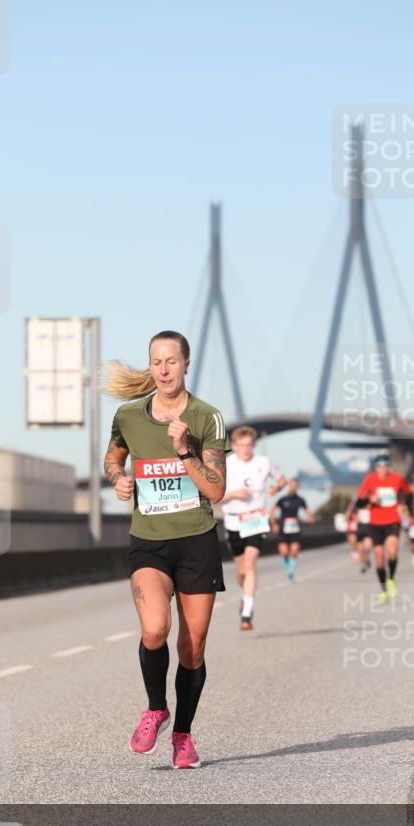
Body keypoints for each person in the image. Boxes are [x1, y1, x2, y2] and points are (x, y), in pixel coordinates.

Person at [102, 330, 229, 770]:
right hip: (149, 543)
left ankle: (183, 736)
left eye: (171, 361)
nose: (164, 369)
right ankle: (156, 708)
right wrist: (118, 477)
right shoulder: (129, 416)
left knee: (191, 649)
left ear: (186, 364)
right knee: (155, 630)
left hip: (196, 542)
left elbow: (216, 490)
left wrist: (183, 452)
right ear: (151, 366)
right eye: (156, 361)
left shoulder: (206, 417)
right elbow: (113, 458)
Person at [221, 426, 286, 630]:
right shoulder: (225, 464)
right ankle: (244, 595)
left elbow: (281, 478)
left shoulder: (263, 463)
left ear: (253, 445)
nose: (246, 449)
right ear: (233, 446)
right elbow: (214, 496)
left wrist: (278, 487)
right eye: (241, 445)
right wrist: (233, 494)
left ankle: (247, 613)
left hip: (256, 520)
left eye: (249, 445)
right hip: (233, 521)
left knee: (250, 564)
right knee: (241, 569)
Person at [356, 453, 414, 604]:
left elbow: (409, 494)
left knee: (393, 550)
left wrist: (403, 504)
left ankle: (391, 579)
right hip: (375, 523)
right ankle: (384, 591)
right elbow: (359, 502)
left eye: (385, 466)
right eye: (379, 466)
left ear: (389, 467)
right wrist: (370, 499)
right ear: (375, 468)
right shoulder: (370, 480)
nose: (382, 469)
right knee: (379, 556)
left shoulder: (397, 479)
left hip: (392, 521)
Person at [269, 478, 316, 581]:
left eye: (296, 485)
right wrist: (274, 524)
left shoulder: (300, 500)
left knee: (294, 550)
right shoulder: (282, 500)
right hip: (283, 528)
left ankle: (291, 572)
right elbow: (272, 512)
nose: (294, 487)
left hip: (295, 528)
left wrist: (310, 517)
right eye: (292, 485)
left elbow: (307, 511)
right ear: (289, 486)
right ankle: (287, 566)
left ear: (297, 487)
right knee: (284, 552)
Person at [346, 497, 373, 573]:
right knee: (361, 550)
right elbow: (348, 518)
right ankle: (363, 565)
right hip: (359, 531)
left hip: (369, 530)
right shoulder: (355, 508)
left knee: (367, 547)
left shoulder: (371, 507)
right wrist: (350, 508)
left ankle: (366, 559)